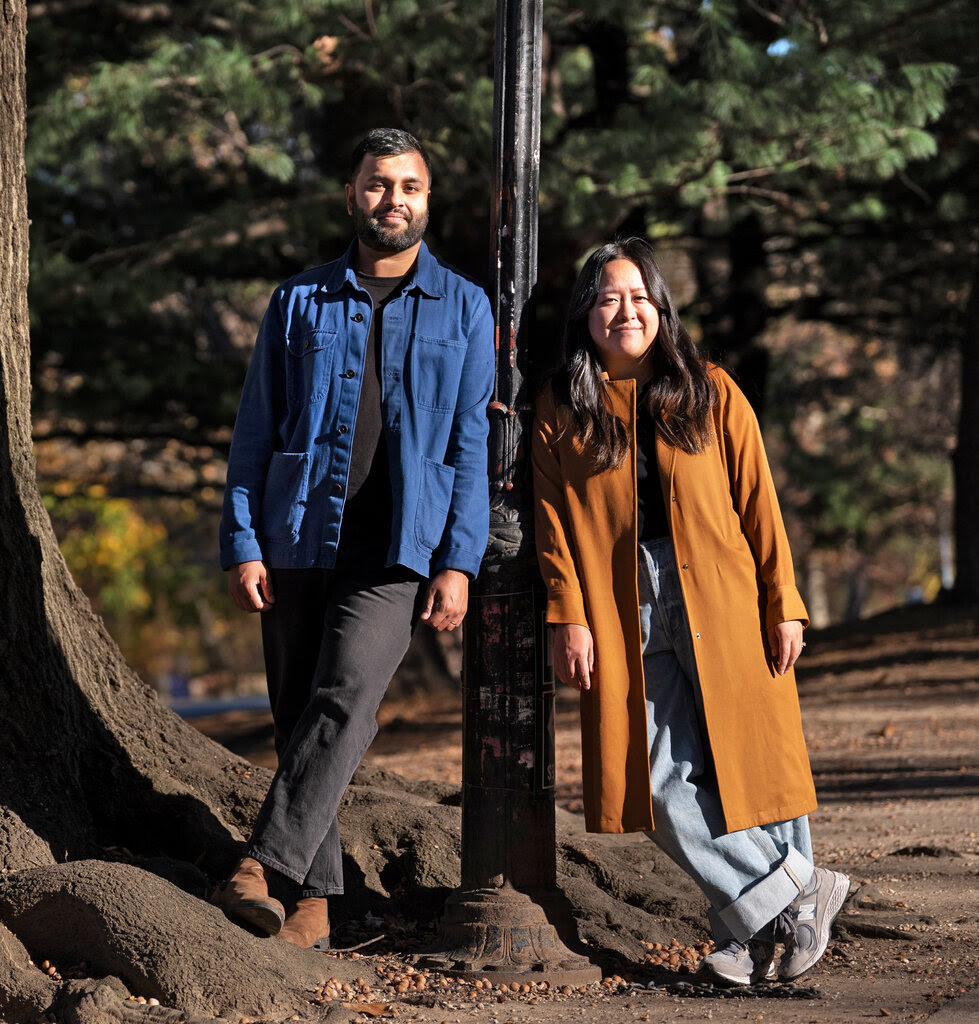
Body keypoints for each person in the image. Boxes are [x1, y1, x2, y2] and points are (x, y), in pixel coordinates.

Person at [531, 237, 849, 986]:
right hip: (619, 604)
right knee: (658, 777)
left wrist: (785, 601)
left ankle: (751, 938)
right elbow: (551, 524)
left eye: (640, 297)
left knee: (749, 765)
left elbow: (760, 503)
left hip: (724, 592)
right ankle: (798, 893)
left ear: (662, 309)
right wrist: (566, 613)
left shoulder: (711, 389)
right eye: (609, 298)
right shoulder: (559, 407)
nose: (626, 311)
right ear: (586, 314)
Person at [216, 128, 494, 949]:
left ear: (427, 202)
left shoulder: (464, 306)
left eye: (409, 186)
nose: (393, 200)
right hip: (297, 535)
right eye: (378, 184)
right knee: (299, 718)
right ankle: (313, 903)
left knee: (343, 702)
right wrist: (242, 540)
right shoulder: (299, 300)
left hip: (398, 551)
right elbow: (254, 431)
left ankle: (260, 864)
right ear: (352, 194)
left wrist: (459, 561)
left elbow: (471, 445)